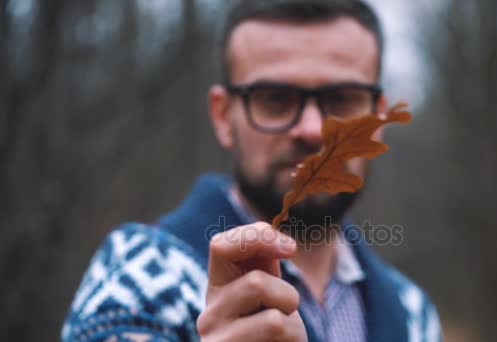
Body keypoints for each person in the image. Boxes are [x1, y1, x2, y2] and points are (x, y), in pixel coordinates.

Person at [62, 1, 442, 341]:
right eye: (276, 99)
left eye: (341, 100)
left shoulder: (412, 314)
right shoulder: (140, 278)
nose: (312, 129)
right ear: (224, 116)